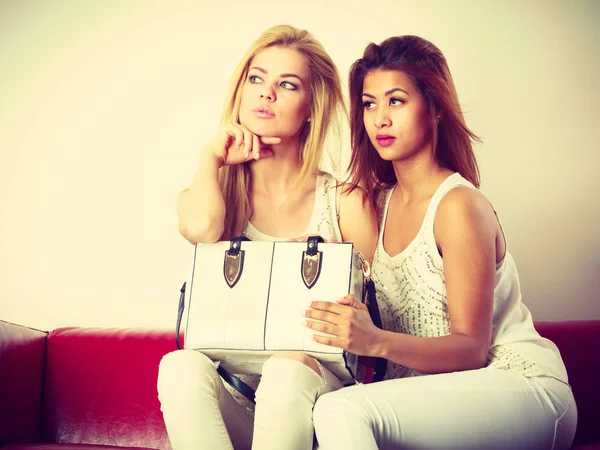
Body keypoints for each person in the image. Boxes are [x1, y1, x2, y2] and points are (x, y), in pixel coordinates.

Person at [306, 35, 577, 449]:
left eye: (396, 101)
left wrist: (374, 340)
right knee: (324, 408)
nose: (379, 118)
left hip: (521, 384)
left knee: (340, 409)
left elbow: (471, 350)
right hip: (441, 399)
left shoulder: (458, 206)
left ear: (434, 108)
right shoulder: (372, 206)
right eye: (369, 103)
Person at [157, 25, 377, 450]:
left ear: (312, 106)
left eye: (287, 84)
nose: (266, 94)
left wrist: (336, 274)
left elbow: (378, 336)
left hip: (319, 410)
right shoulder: (211, 194)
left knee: (286, 369)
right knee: (178, 365)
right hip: (239, 404)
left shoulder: (345, 202)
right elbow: (202, 230)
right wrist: (210, 158)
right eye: (256, 79)